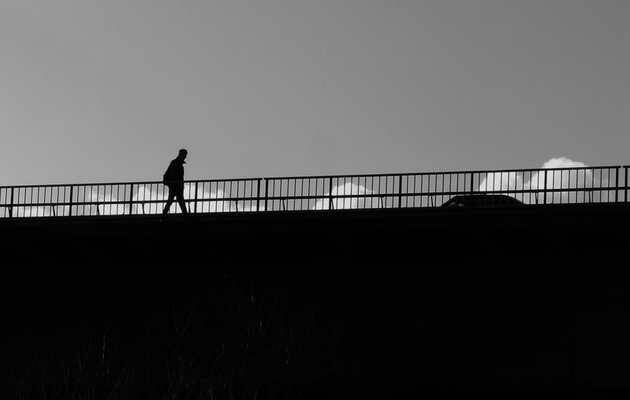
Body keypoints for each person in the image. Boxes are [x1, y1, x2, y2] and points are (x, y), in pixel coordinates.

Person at [162, 149, 189, 215]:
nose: (185, 156)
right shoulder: (176, 163)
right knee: (178, 200)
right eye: (185, 155)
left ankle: (164, 213)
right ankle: (185, 215)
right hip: (175, 185)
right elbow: (175, 175)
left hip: (175, 185)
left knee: (172, 200)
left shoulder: (175, 163)